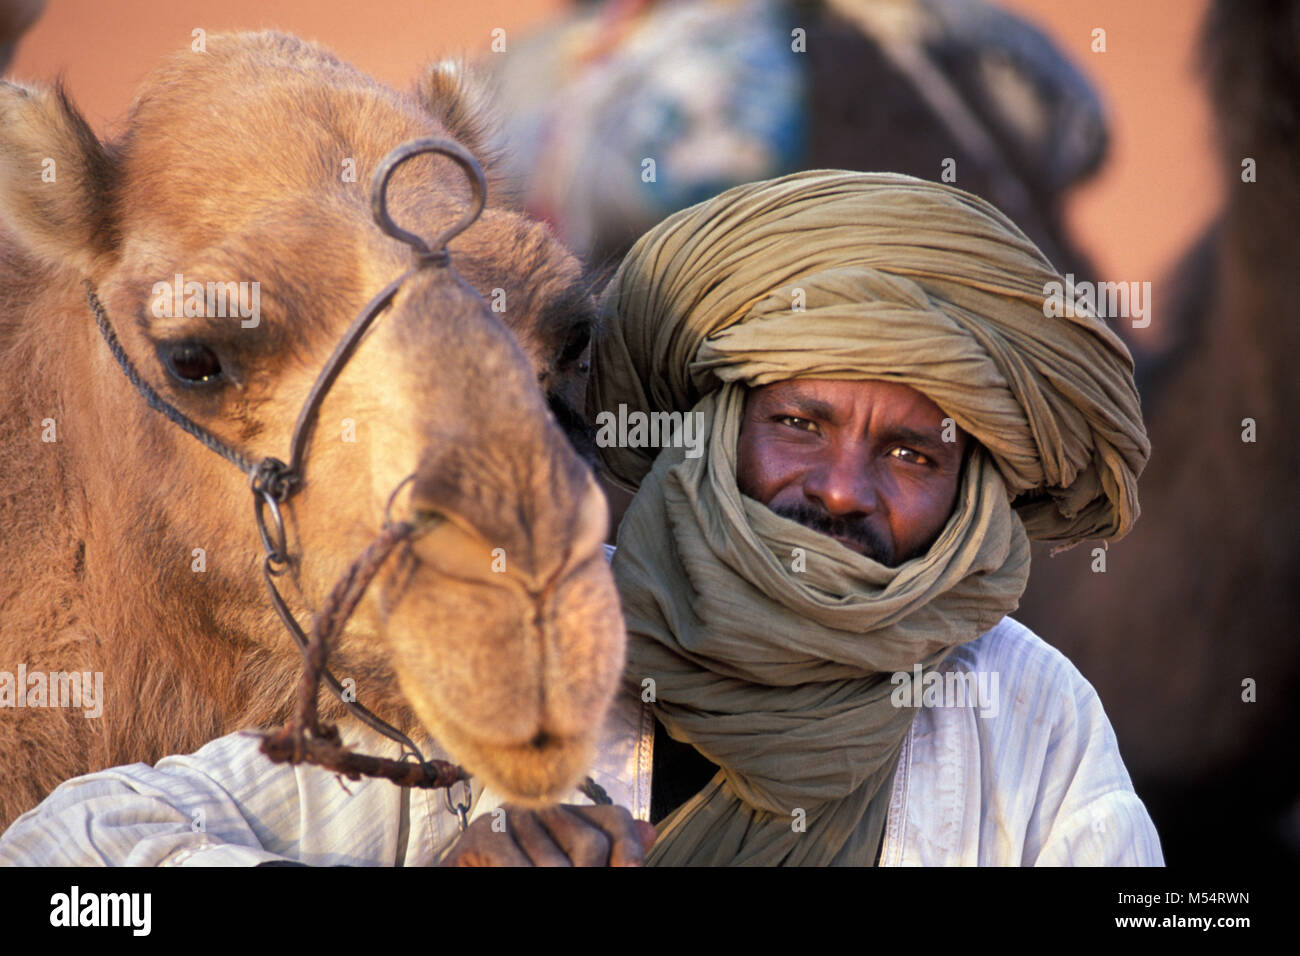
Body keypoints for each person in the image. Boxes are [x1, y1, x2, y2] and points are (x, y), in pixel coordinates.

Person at [0, 171, 1162, 866]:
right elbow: (65, 858)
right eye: (801, 423)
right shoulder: (518, 640)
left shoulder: (1021, 707)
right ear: (711, 424)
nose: (846, 489)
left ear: (967, 486)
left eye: (908, 451)